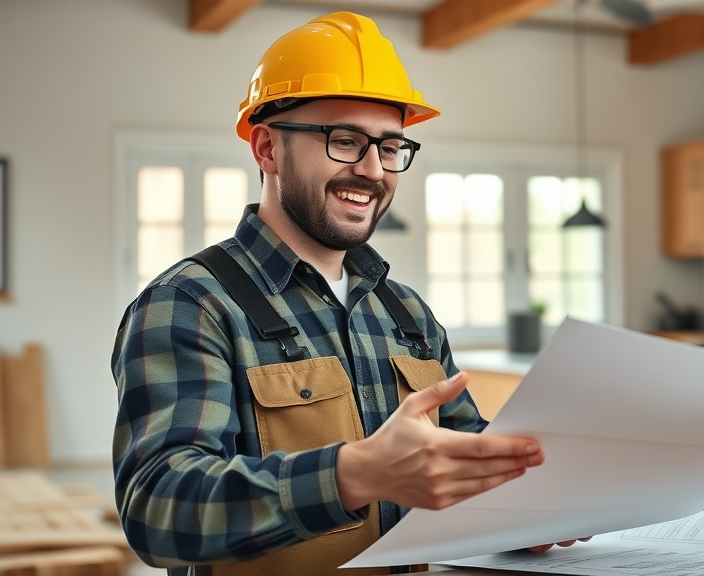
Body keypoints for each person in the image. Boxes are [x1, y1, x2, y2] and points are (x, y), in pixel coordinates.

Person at [112, 12, 582, 576]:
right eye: (345, 140)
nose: (371, 170)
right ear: (266, 148)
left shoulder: (406, 313)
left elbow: (461, 456)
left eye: (390, 147)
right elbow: (157, 509)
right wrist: (352, 474)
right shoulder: (191, 304)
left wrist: (531, 505)